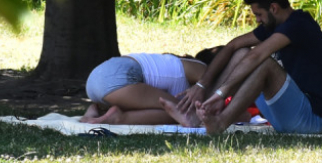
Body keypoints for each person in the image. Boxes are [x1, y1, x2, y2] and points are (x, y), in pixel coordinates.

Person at [164, 0, 322, 135]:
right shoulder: (275, 25)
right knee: (241, 53)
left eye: (258, 15)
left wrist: (222, 93)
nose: (258, 20)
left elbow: (257, 56)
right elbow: (233, 46)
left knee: (264, 64)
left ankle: (220, 123)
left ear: (273, 8)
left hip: (310, 120)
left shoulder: (298, 24)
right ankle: (196, 116)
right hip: (287, 116)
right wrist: (202, 85)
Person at [80, 49, 218, 125]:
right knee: (183, 114)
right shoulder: (202, 69)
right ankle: (117, 118)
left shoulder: (168, 64)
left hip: (96, 79)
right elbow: (218, 95)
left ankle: (98, 110)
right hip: (119, 77)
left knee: (173, 109)